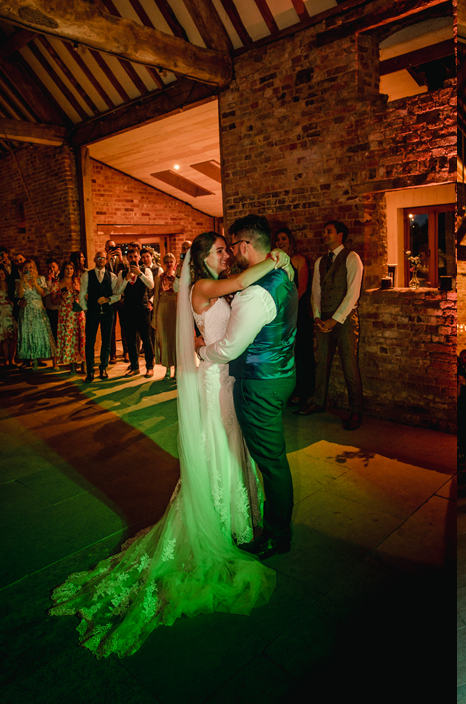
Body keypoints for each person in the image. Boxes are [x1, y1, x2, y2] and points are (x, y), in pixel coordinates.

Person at [49, 231, 286, 656]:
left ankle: (237, 518)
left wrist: (204, 341)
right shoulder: (204, 286)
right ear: (203, 257)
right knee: (217, 445)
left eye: (227, 249)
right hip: (215, 380)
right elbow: (236, 286)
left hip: (227, 376)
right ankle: (220, 521)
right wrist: (277, 259)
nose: (226, 255)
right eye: (220, 250)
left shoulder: (216, 283)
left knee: (231, 445)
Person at [197, 215, 298, 559]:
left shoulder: (253, 294)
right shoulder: (284, 275)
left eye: (231, 247)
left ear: (243, 246)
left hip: (258, 385)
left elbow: (229, 349)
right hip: (282, 374)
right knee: (271, 458)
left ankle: (277, 535)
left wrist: (201, 351)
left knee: (271, 463)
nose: (229, 254)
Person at [298, 221, 363, 430]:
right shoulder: (320, 261)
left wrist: (334, 319)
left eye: (329, 231)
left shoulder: (352, 258)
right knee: (321, 363)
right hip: (323, 319)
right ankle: (318, 402)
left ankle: (356, 410)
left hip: (344, 320)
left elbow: (353, 293)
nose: (324, 234)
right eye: (324, 231)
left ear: (340, 235)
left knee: (349, 365)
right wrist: (317, 317)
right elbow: (315, 292)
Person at [274, 227, 313, 407]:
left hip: (298, 312)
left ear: (290, 240)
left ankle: (305, 392)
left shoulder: (299, 260)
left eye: (283, 238)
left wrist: (288, 307)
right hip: (281, 313)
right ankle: (292, 391)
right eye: (277, 240)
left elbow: (302, 288)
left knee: (302, 352)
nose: (280, 242)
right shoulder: (274, 262)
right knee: (287, 353)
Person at [80, 251, 121, 382]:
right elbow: (82, 295)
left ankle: (103, 368)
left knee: (106, 341)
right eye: (98, 258)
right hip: (92, 312)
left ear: (106, 260)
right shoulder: (87, 275)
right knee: (90, 342)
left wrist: (108, 299)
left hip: (107, 312)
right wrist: (86, 309)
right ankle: (90, 371)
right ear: (94, 259)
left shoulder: (112, 276)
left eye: (103, 258)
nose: (101, 260)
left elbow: (118, 295)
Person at [16, 259, 55, 369]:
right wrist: (22, 282)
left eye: (30, 267)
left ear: (34, 269)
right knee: (27, 334)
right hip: (26, 310)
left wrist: (34, 283)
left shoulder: (40, 279)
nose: (28, 270)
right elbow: (19, 295)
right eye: (26, 268)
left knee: (39, 333)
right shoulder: (20, 281)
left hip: (38, 309)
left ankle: (39, 357)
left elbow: (42, 293)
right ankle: (27, 359)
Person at [53, 261, 85, 375]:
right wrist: (61, 297)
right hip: (65, 314)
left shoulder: (78, 281)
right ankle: (72, 364)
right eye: (67, 268)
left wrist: (79, 291)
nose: (69, 270)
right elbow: (53, 300)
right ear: (63, 270)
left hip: (78, 312)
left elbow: (85, 297)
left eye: (71, 268)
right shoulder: (57, 283)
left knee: (81, 337)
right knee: (69, 339)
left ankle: (84, 363)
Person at [152, 253, 179, 380]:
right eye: (166, 261)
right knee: (164, 339)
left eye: (171, 261)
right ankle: (167, 369)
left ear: (175, 263)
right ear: (163, 263)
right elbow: (156, 298)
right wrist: (154, 317)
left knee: (175, 339)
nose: (169, 264)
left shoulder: (178, 278)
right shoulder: (158, 278)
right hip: (162, 309)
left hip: (175, 309)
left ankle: (177, 369)